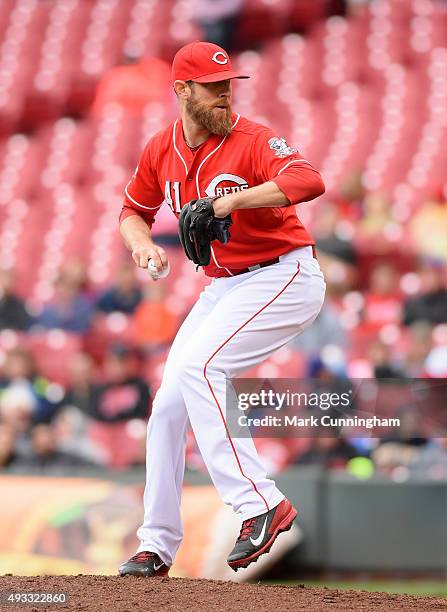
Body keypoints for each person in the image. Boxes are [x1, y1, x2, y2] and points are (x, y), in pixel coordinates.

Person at [117, 41, 326, 577]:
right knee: (166, 407)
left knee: (201, 367)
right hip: (222, 287)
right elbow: (131, 212)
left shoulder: (253, 138)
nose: (225, 93)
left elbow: (308, 181)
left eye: (229, 83)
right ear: (182, 90)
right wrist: (142, 246)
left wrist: (229, 201)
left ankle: (260, 504)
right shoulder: (160, 148)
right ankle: (157, 544)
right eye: (213, 86)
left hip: (284, 273)